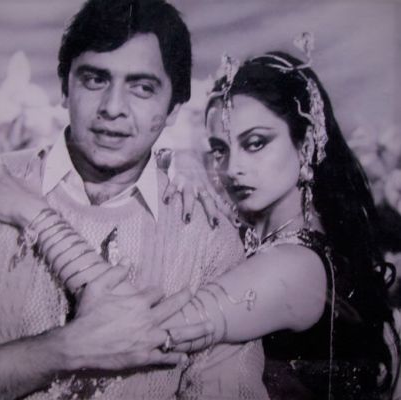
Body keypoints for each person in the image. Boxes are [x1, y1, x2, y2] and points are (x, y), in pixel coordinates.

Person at [0, 1, 267, 399]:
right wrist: (67, 349)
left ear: (173, 107)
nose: (113, 108)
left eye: (142, 87)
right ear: (65, 87)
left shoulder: (207, 238)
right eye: (95, 79)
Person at [158, 43, 401, 399]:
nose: (233, 168)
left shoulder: (294, 265)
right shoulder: (289, 243)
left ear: (305, 145)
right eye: (220, 150)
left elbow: (153, 336)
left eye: (255, 143)